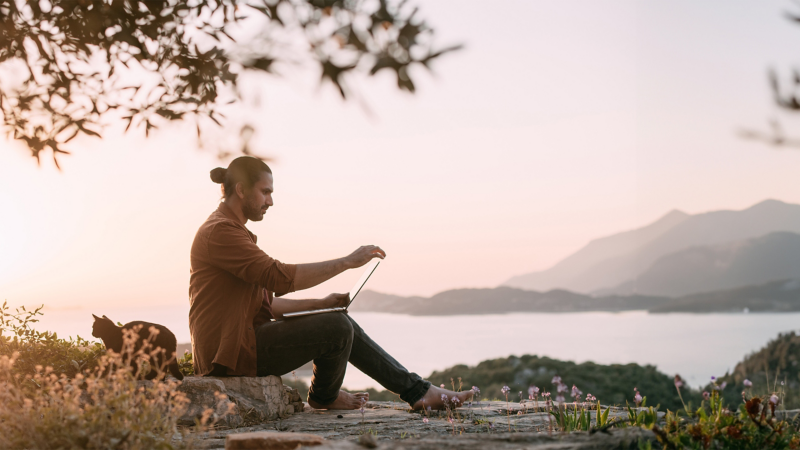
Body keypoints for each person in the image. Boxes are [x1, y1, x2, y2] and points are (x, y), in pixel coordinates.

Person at [188, 156, 472, 410]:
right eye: (265, 192)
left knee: (335, 318)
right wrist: (346, 262)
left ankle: (415, 390)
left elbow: (266, 304)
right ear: (240, 189)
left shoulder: (233, 232)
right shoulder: (220, 232)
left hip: (245, 343)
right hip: (230, 356)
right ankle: (329, 396)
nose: (270, 201)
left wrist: (322, 304)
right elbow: (279, 276)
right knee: (337, 328)